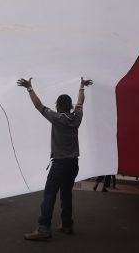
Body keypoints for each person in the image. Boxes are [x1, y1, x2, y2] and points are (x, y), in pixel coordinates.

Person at [19, 77, 93, 241]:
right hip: (73, 164)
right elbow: (81, 102)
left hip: (59, 164)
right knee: (66, 194)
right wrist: (81, 86)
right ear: (70, 106)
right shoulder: (77, 117)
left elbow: (38, 106)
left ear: (59, 106)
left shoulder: (57, 118)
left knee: (49, 195)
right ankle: (67, 225)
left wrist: (29, 88)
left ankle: (44, 228)